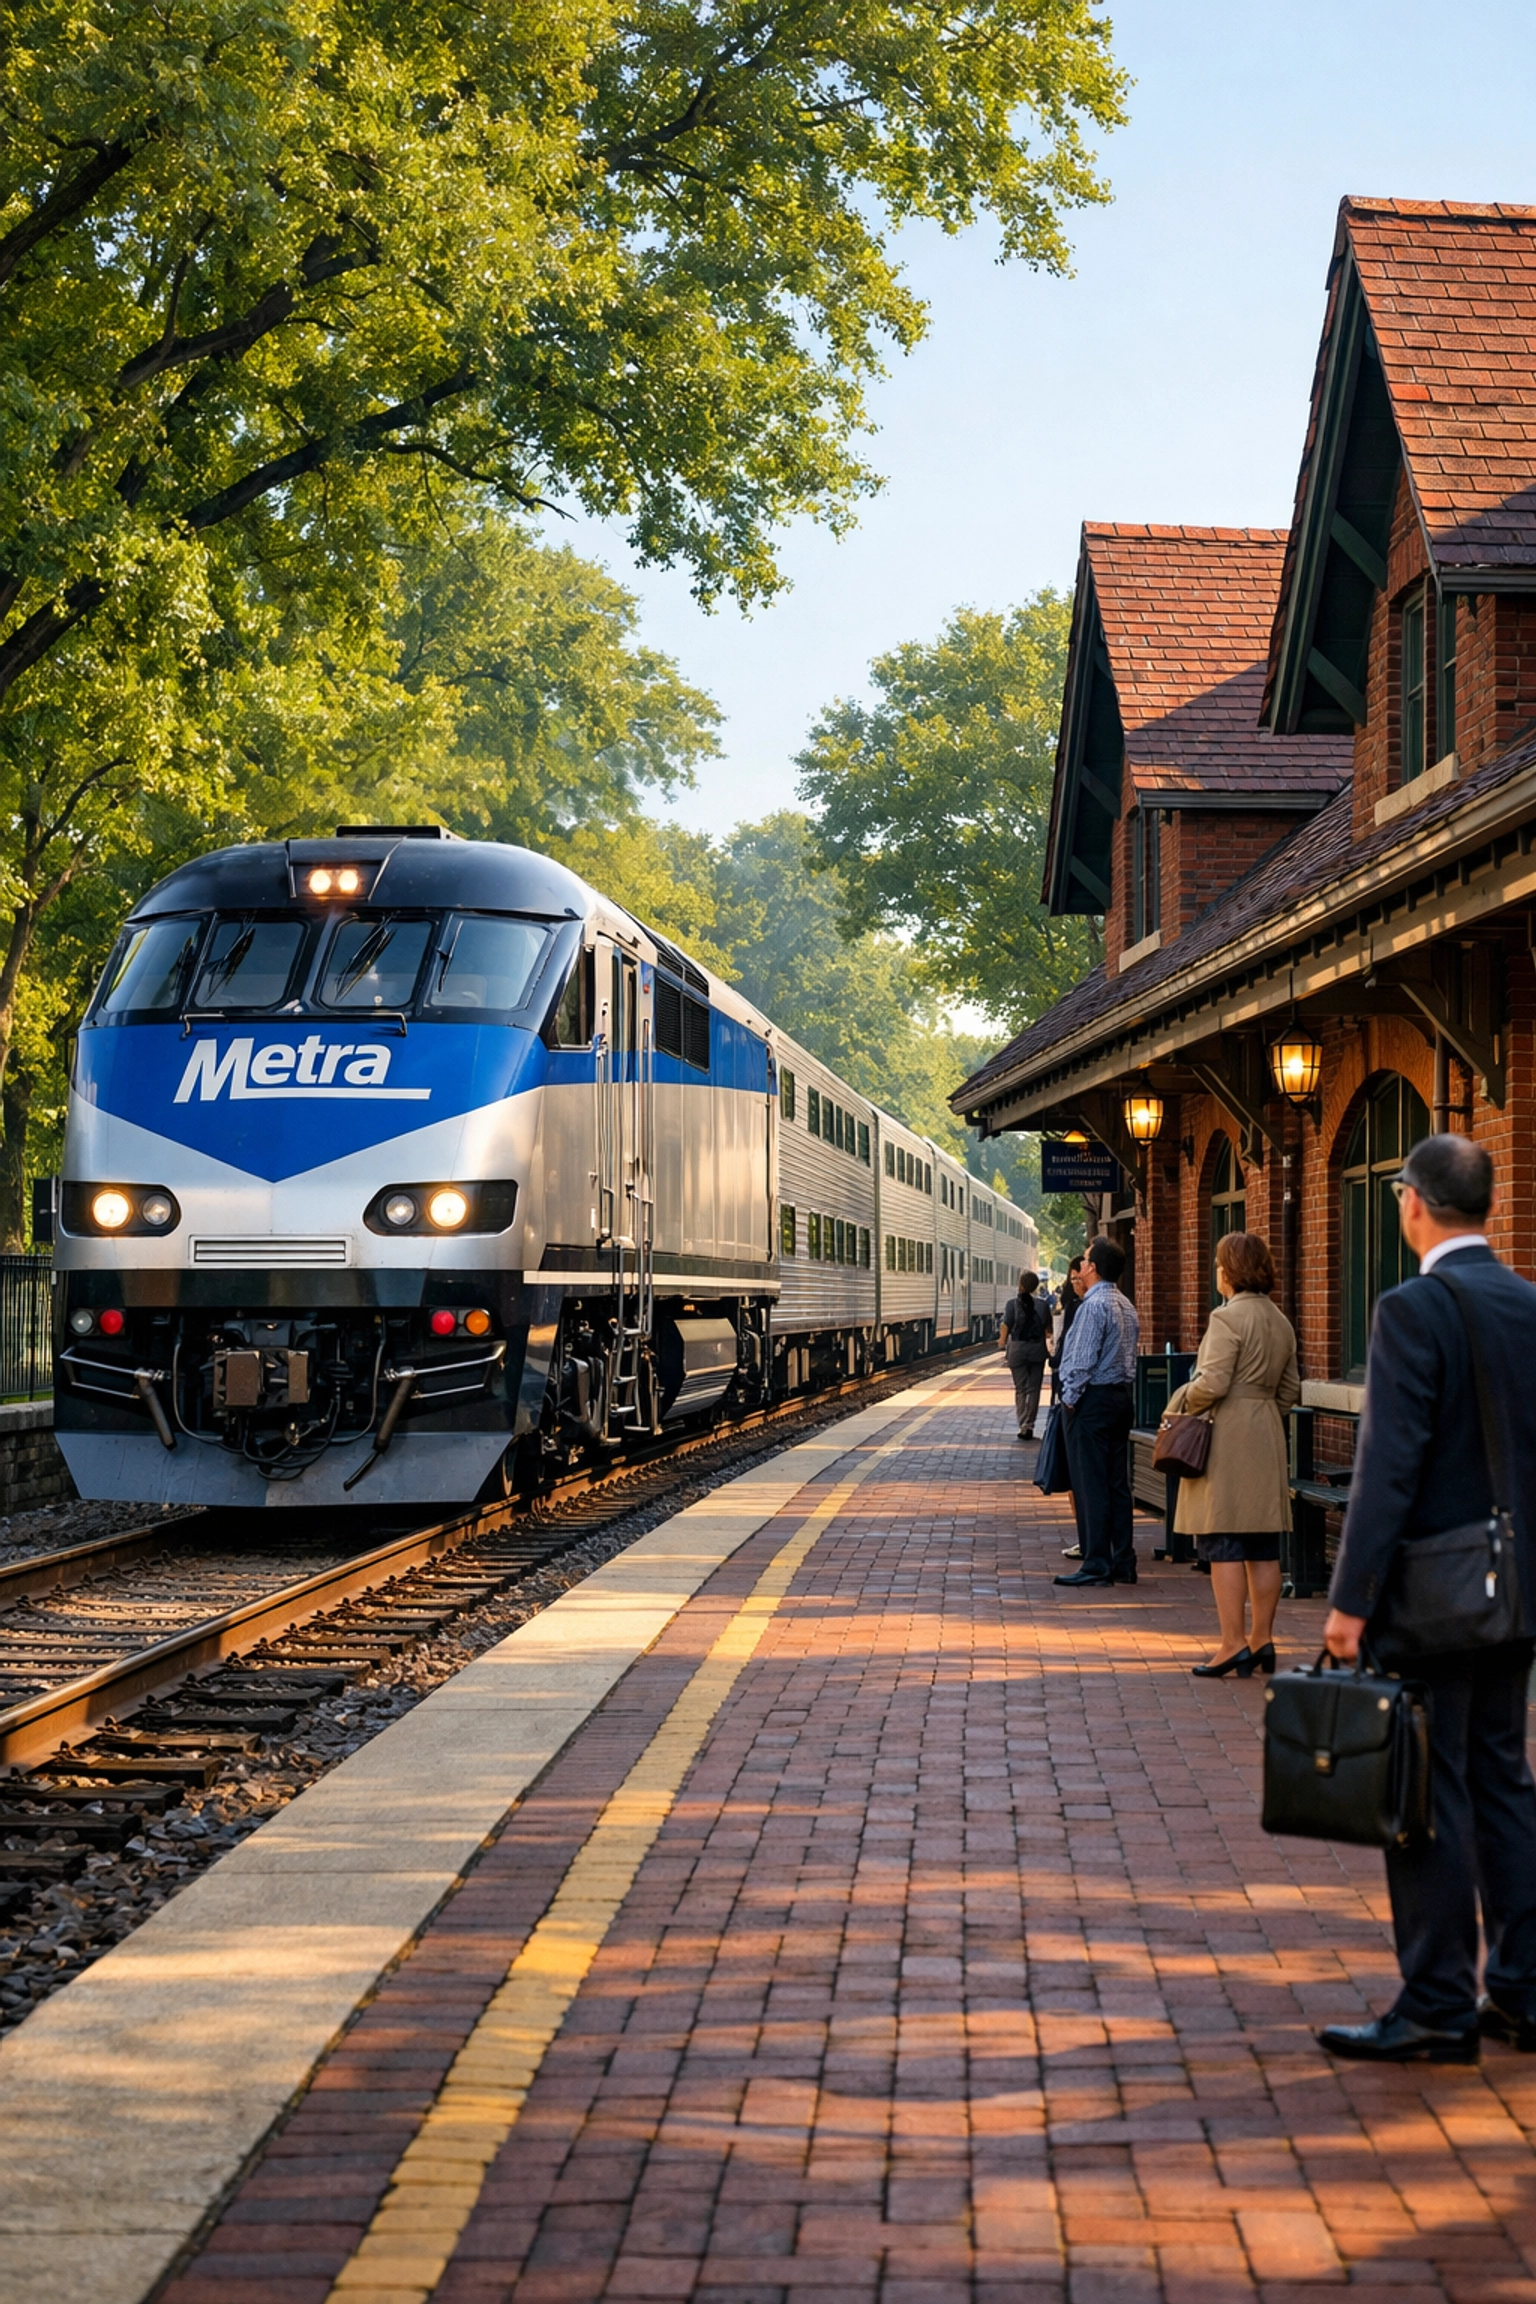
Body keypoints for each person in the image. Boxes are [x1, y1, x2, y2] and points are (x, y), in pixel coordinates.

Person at [1317, 1134, 1536, 2067]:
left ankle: (1439, 2001)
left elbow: (1387, 1470)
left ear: (1411, 1204)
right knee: (1505, 1782)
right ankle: (1523, 1991)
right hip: (1519, 1589)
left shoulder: (1411, 1310)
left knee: (1427, 1790)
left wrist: (1350, 1599)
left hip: (1437, 1597)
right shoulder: (1529, 1304)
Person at [1168, 1232, 1299, 1677]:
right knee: (1263, 1545)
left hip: (1226, 1435)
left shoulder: (1226, 1319)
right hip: (1265, 1434)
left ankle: (1231, 1643)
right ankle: (1263, 1640)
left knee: (1223, 1541)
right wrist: (1261, 1413)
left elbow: (1213, 1383)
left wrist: (1182, 1395)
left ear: (1231, 1271)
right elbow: (1290, 1391)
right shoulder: (1281, 1320)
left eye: (1220, 1264)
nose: (1216, 1271)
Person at [1054, 1237, 1139, 1588]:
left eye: (1086, 1260)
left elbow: (1082, 1361)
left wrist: (1069, 1399)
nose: (1082, 1265)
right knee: (1118, 1483)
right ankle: (1123, 1561)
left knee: (1090, 1483)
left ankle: (1096, 1562)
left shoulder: (1092, 1307)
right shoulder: (1126, 1304)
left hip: (1092, 1402)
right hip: (1120, 1399)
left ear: (1094, 1268)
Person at [1000, 1271, 1050, 1440]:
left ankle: (1023, 1425)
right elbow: (1048, 1330)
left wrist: (1001, 1345)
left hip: (1017, 1351)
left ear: (1020, 1285)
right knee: (1034, 1389)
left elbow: (1006, 1327)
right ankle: (1030, 1424)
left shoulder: (1011, 1304)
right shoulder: (1042, 1305)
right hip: (1037, 1350)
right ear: (1036, 1287)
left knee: (1021, 1389)